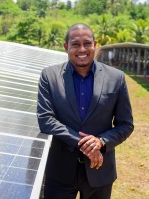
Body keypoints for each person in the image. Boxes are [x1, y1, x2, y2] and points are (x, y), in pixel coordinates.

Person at [37, 23, 134, 199]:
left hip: (100, 171)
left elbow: (125, 124)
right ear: (66, 47)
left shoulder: (116, 78)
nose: (82, 49)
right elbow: (46, 120)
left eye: (87, 43)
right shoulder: (49, 76)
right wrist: (87, 146)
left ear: (94, 44)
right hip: (60, 171)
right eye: (75, 44)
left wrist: (101, 142)